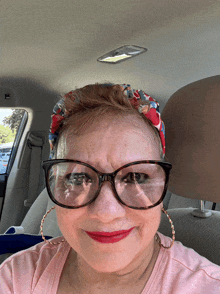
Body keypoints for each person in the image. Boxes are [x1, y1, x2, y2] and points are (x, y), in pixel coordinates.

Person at [0, 83, 219, 293]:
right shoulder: (15, 275)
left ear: (163, 185)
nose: (105, 213)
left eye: (136, 177)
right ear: (55, 183)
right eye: (77, 177)